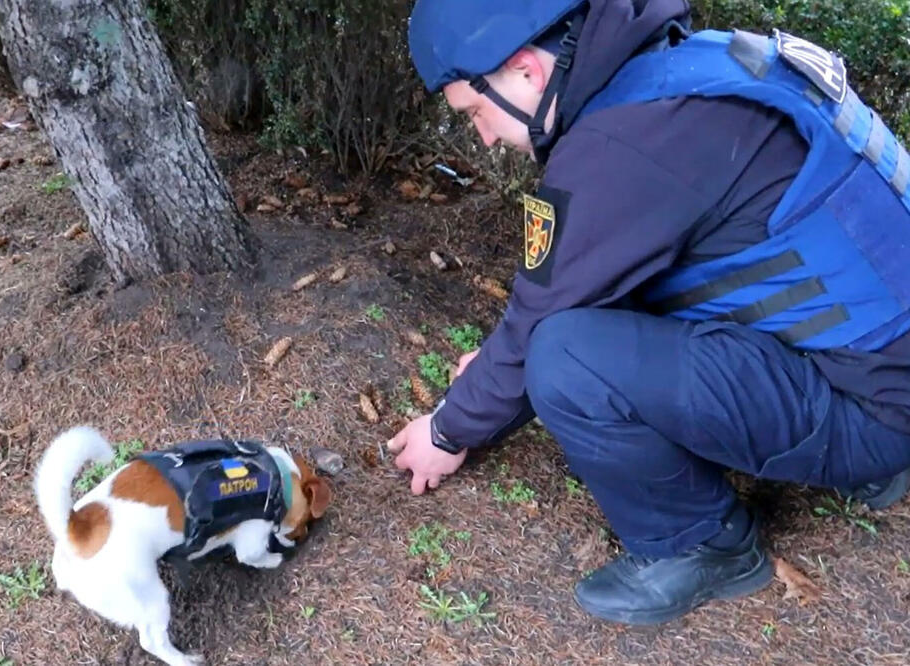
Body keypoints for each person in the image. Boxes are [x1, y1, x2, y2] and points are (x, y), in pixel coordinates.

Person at [387, 0, 910, 626]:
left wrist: (447, 431)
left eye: (475, 112)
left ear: (525, 69)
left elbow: (539, 323)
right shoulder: (695, 67)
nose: (486, 136)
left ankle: (701, 546)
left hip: (874, 412)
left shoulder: (621, 146)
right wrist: (496, 376)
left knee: (563, 355)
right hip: (882, 367)